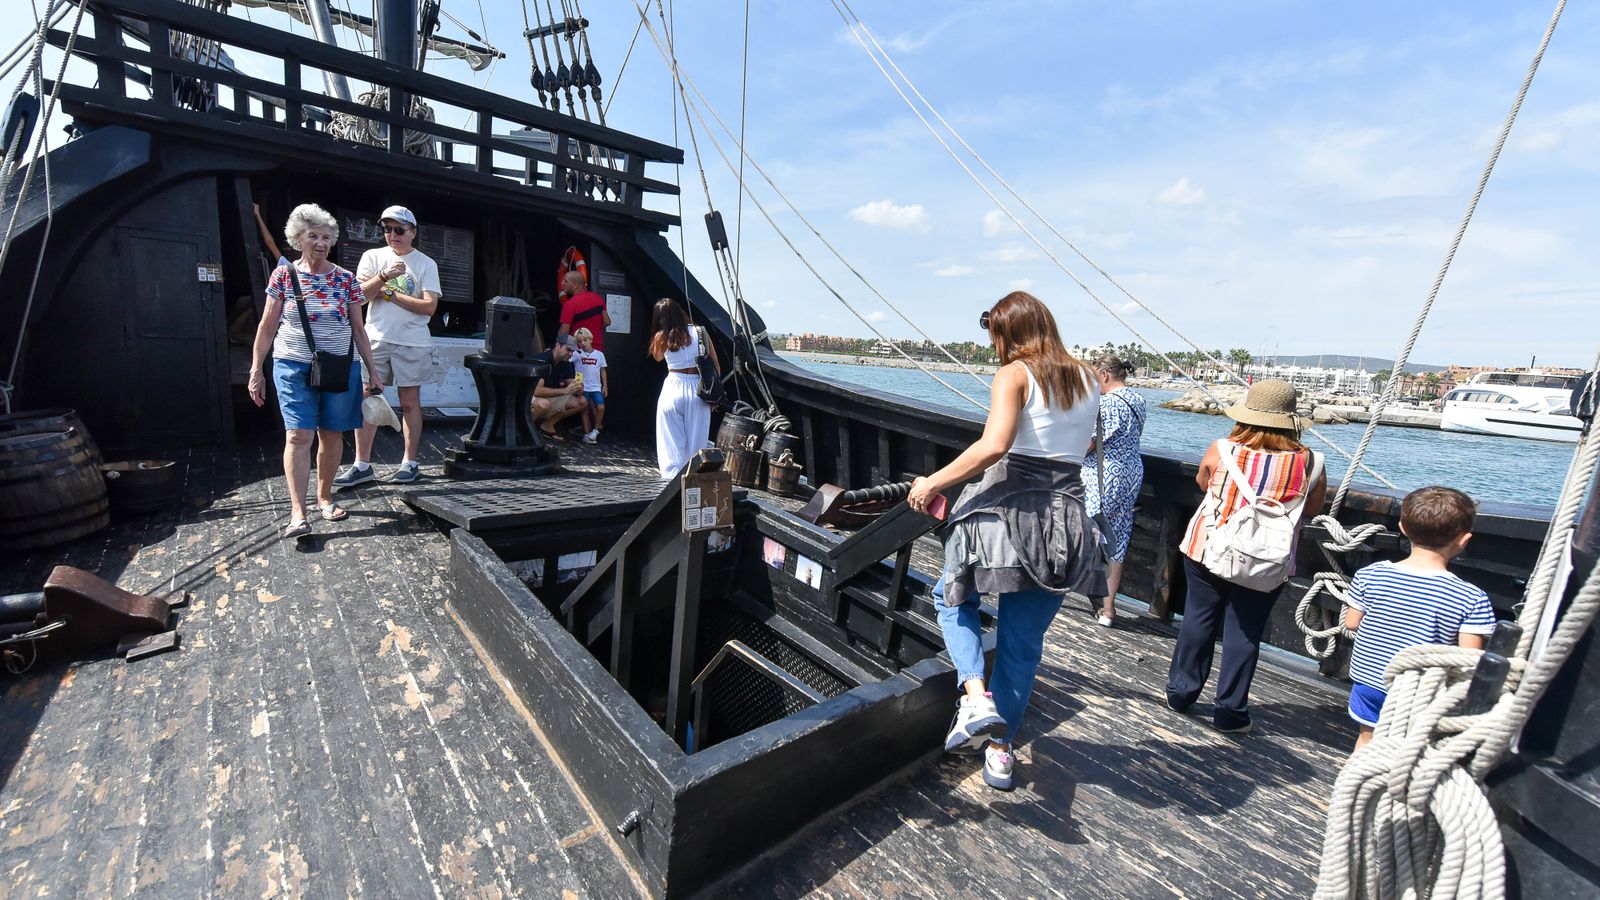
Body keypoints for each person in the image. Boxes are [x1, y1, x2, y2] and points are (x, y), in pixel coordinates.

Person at [906, 291, 1106, 792]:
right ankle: (1000, 753)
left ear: (1008, 333)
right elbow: (1086, 445)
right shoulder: (1087, 377)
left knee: (950, 595)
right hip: (1066, 521)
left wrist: (933, 482)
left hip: (1011, 512)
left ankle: (975, 696)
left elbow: (995, 445)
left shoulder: (1014, 374)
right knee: (1022, 644)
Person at [1165, 379, 1327, 734]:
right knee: (1245, 631)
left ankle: (1181, 693)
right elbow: (1313, 507)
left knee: (1199, 618)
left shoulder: (1223, 449)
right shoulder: (1311, 462)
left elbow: (1204, 483)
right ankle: (1231, 711)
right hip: (1268, 557)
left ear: (1246, 414)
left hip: (1210, 546)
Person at [246, 203, 381, 539]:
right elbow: (266, 326)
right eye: (313, 236)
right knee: (298, 435)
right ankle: (298, 511)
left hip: (338, 367)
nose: (321, 242)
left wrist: (371, 370)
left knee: (332, 433)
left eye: (325, 237)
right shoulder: (283, 275)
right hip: (292, 364)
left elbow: (359, 329)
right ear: (298, 239)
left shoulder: (346, 279)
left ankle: (324, 496)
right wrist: (255, 370)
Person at [1345, 486, 1495, 751]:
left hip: (1369, 680)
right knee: (1410, 749)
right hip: (1420, 690)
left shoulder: (1370, 575)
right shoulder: (1471, 597)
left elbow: (1352, 623)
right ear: (1463, 539)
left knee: (1367, 738)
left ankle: (1356, 786)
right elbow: (1468, 660)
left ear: (1402, 527)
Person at [337, 205, 442, 488]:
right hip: (376, 338)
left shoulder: (425, 264)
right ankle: (362, 464)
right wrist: (382, 279)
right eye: (387, 229)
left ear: (412, 233)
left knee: (410, 403)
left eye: (399, 229)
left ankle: (410, 462)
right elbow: (358, 297)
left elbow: (429, 307)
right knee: (369, 399)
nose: (392, 235)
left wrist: (389, 293)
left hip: (412, 341)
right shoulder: (372, 257)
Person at [1083, 353, 1146, 627]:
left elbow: (1090, 442)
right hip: (1131, 472)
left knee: (1081, 530)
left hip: (1102, 472)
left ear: (1105, 375)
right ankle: (1108, 610)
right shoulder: (1138, 401)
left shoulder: (1104, 404)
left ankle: (1054, 591)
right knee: (1118, 537)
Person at [650, 298, 718, 480]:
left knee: (671, 442)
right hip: (698, 390)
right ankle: (692, 484)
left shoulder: (662, 337)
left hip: (673, 387)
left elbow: (657, 358)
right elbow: (715, 365)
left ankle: (671, 484)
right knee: (696, 445)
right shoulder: (700, 332)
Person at [531, 334, 589, 441]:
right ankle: (523, 429)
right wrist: (565, 390)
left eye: (573, 351)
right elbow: (537, 391)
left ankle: (547, 425)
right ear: (558, 345)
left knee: (581, 401)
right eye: (568, 350)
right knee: (543, 404)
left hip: (549, 397)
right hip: (529, 397)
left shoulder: (566, 362)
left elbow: (571, 382)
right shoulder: (543, 360)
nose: (570, 354)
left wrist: (578, 389)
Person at [556, 270, 610, 351]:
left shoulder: (570, 304)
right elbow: (607, 321)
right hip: (597, 351)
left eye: (565, 281)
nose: (562, 283)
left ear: (574, 285)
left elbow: (564, 333)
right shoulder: (598, 298)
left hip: (578, 351)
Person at [572, 327, 608, 444]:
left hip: (596, 387)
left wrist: (605, 386)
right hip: (582, 387)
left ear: (590, 339)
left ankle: (595, 431)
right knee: (584, 409)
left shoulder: (599, 355)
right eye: (579, 341)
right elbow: (566, 360)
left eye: (585, 340)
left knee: (601, 407)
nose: (582, 343)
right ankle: (587, 434)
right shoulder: (576, 354)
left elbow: (603, 370)